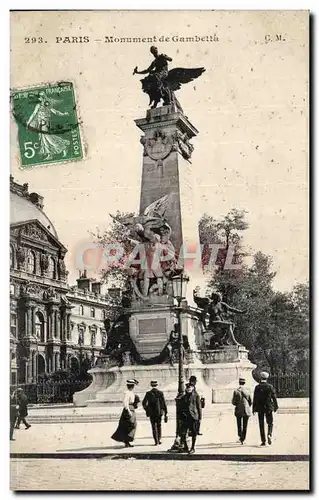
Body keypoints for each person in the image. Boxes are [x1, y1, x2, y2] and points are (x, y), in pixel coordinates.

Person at [253, 371, 278, 446]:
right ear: (267, 378)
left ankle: (263, 441)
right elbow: (274, 397)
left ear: (260, 378)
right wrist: (275, 406)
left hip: (260, 408)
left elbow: (255, 398)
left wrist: (254, 408)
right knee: (270, 422)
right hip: (268, 407)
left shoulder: (257, 387)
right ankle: (269, 434)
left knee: (261, 424)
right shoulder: (270, 386)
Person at [111, 379, 139, 448]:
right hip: (128, 409)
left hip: (131, 408)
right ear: (131, 386)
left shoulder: (131, 392)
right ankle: (126, 441)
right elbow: (125, 402)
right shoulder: (127, 393)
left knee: (132, 424)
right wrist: (128, 411)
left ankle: (127, 440)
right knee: (129, 425)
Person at [179, 383, 202, 454]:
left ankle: (192, 447)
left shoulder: (196, 396)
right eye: (188, 387)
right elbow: (181, 408)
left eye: (190, 387)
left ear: (193, 388)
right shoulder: (183, 397)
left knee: (193, 433)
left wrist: (200, 417)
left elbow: (199, 407)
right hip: (185, 417)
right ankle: (186, 446)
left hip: (193, 417)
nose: (189, 388)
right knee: (183, 433)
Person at [142, 381, 168, 446]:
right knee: (159, 425)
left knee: (153, 426)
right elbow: (164, 403)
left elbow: (144, 403)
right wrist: (165, 412)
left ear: (151, 385)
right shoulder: (160, 393)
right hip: (159, 412)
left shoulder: (148, 393)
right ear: (157, 385)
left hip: (152, 413)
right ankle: (159, 440)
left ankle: (156, 441)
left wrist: (147, 410)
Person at [232, 377, 252, 444]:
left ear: (239, 383)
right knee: (245, 425)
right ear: (244, 383)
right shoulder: (247, 391)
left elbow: (233, 402)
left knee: (239, 424)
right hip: (246, 409)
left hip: (239, 410)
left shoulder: (236, 391)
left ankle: (240, 437)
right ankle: (243, 438)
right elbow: (250, 401)